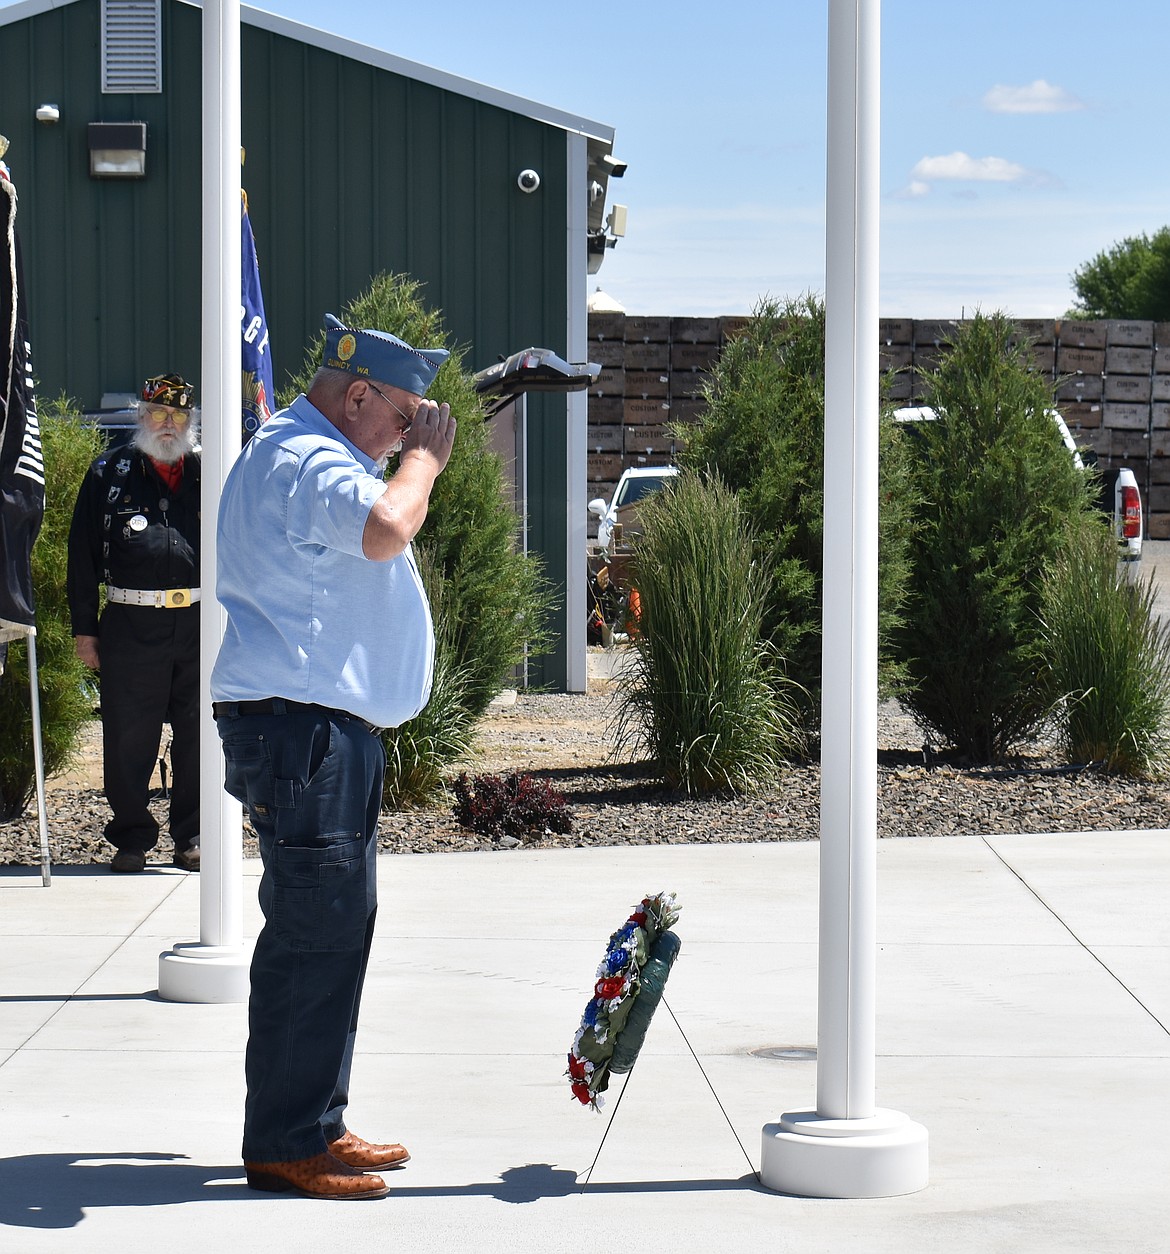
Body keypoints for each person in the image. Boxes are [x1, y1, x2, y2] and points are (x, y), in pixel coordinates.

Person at [211, 315, 456, 1201]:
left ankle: (311, 1119)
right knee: (316, 932)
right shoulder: (308, 459)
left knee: (335, 926)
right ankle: (285, 1140)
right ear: (358, 394)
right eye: (402, 415)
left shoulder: (306, 449)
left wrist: (408, 452)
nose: (408, 433)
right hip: (301, 728)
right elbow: (390, 526)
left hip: (311, 727)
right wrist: (422, 462)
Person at [67, 374, 202, 874]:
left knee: (198, 733)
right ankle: (131, 839)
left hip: (198, 622)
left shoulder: (208, 472)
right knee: (129, 735)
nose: (169, 424)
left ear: (190, 421)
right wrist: (85, 629)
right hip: (129, 622)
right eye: (159, 414)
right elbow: (80, 553)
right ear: (141, 416)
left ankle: (191, 836)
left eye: (179, 415)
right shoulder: (109, 472)